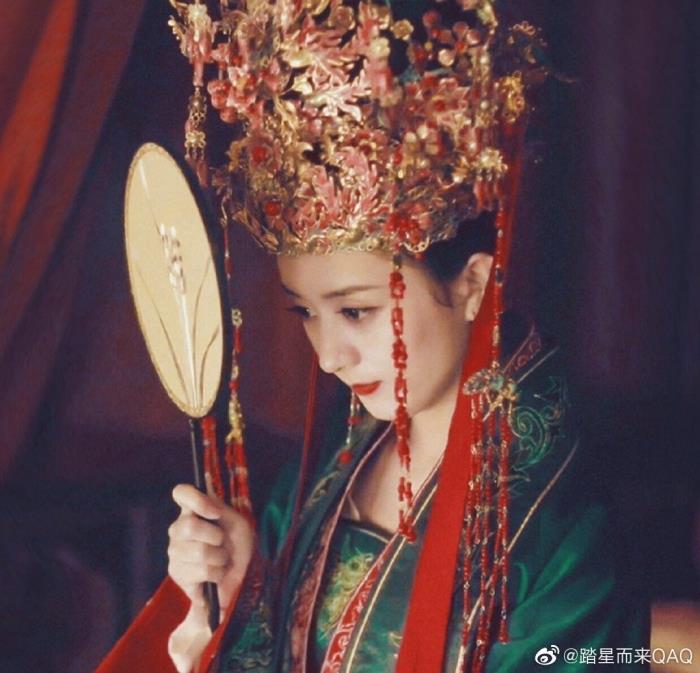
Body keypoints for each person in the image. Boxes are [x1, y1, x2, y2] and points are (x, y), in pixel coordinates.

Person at [97, 1, 649, 672]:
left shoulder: (557, 519)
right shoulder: (342, 452)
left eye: (356, 311)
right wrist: (237, 598)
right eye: (305, 312)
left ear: (472, 284)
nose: (329, 356)